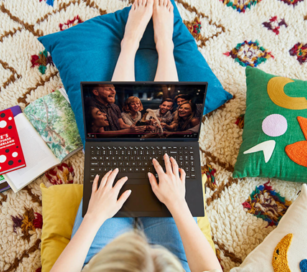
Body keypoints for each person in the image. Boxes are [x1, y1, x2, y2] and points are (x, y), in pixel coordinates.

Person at [51, 0, 222, 271]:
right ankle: (165, 45)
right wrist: (178, 204)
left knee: (115, 143)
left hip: (102, 264)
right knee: (166, 140)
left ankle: (129, 44)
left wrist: (94, 217)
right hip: (170, 264)